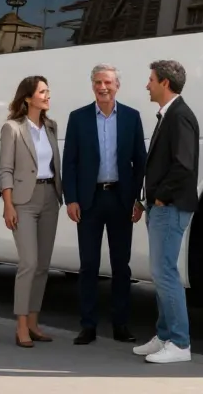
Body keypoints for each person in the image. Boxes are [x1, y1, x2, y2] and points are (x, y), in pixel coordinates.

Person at [61, 64, 147, 345]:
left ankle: (121, 324)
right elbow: (69, 162)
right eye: (98, 82)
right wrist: (71, 198)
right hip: (89, 200)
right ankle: (88, 326)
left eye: (108, 82)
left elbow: (140, 162)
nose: (103, 87)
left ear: (117, 86)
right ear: (92, 85)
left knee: (121, 266)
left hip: (121, 199)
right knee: (88, 265)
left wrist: (138, 199)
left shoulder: (132, 118)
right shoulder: (79, 118)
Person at [133, 60, 199, 364]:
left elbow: (183, 165)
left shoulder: (179, 116)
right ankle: (163, 336)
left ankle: (179, 343)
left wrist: (159, 198)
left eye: (151, 80)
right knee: (160, 274)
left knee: (165, 273)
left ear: (165, 84)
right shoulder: (169, 115)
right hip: (162, 207)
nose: (147, 85)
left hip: (169, 208)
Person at [0, 75, 63, 348]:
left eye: (48, 91)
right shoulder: (12, 128)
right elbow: (6, 169)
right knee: (29, 263)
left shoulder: (51, 126)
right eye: (43, 92)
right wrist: (8, 204)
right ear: (28, 97)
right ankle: (21, 325)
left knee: (43, 265)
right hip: (24, 200)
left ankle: (35, 323)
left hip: (50, 196)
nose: (48, 96)